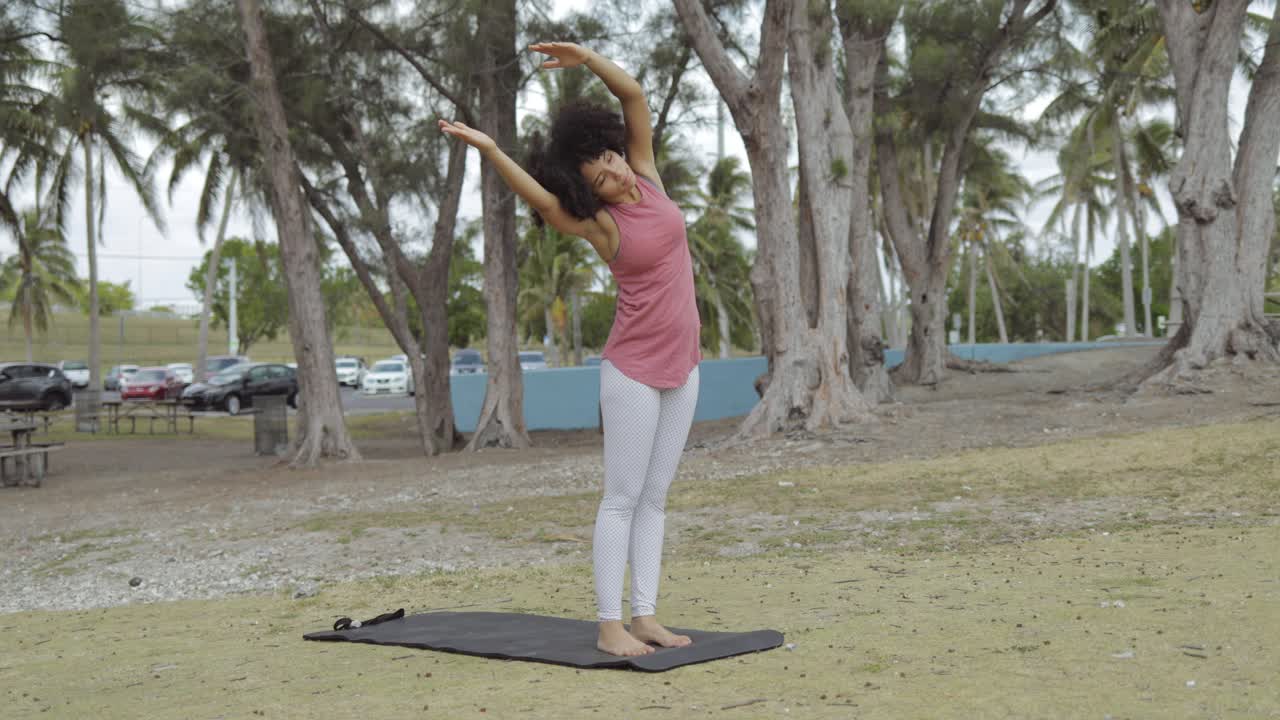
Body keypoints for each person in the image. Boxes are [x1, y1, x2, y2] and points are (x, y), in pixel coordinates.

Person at [440, 42, 702, 657]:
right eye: (601, 178)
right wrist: (491, 149)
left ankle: (646, 616)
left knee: (656, 498)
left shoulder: (650, 176)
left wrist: (587, 58)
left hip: (683, 364)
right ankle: (609, 623)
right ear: (590, 194)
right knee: (622, 497)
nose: (614, 173)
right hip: (633, 369)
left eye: (611, 159)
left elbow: (633, 96)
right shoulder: (600, 226)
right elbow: (541, 200)